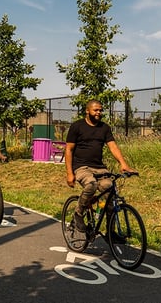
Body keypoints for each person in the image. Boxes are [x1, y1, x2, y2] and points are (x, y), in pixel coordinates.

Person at [65, 99, 136, 233]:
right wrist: (69, 173)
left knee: (110, 191)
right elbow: (68, 149)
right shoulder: (77, 126)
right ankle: (78, 214)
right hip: (81, 167)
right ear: (87, 111)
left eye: (100, 110)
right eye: (95, 110)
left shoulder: (104, 128)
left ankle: (111, 232)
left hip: (99, 168)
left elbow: (113, 147)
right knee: (91, 185)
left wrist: (124, 164)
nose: (99, 112)